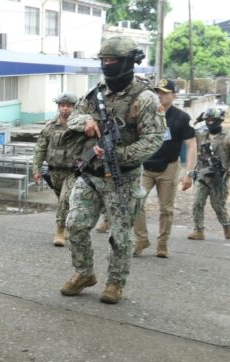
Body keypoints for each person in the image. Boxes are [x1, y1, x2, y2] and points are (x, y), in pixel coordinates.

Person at [60, 36, 165, 304]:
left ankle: (115, 282)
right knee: (74, 224)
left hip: (123, 178)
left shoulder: (145, 98)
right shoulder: (96, 93)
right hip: (91, 175)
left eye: (113, 60)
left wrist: (118, 155)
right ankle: (83, 273)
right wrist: (86, 122)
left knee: (120, 235)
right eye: (104, 60)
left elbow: (153, 140)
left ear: (129, 62)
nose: (107, 65)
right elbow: (73, 116)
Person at [133, 79, 196, 258]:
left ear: (173, 95)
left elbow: (192, 146)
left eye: (164, 92)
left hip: (168, 167)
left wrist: (189, 174)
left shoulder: (181, 118)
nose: (160, 96)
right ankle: (141, 239)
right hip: (146, 166)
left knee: (166, 209)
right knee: (136, 203)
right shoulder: (146, 114)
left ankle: (162, 244)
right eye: (158, 92)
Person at [32, 92, 79, 246]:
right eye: (62, 105)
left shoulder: (80, 124)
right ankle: (65, 224)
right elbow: (40, 148)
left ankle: (59, 231)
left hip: (73, 171)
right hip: (54, 171)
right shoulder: (50, 126)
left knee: (65, 200)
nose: (65, 109)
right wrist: (36, 169)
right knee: (62, 200)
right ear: (58, 107)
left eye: (69, 106)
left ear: (74, 107)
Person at [187, 108, 230, 241]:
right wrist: (196, 120)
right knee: (196, 203)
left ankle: (226, 225)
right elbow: (188, 130)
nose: (210, 122)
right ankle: (198, 230)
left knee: (218, 206)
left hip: (220, 178)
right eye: (207, 120)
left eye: (213, 120)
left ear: (220, 120)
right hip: (203, 175)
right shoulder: (202, 134)